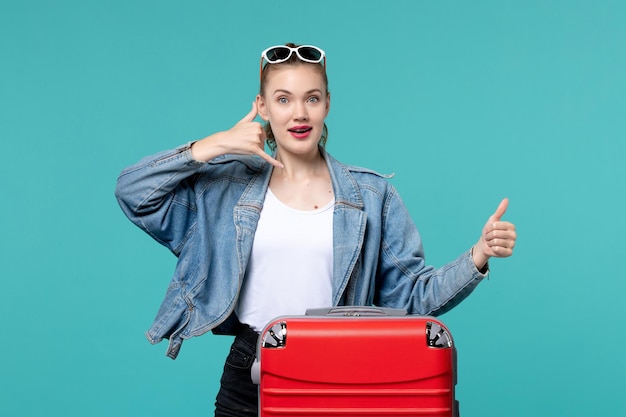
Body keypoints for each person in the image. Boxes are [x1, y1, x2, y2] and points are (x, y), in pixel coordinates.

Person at [115, 43, 517, 417]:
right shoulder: (224, 190)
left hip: (343, 371)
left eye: (312, 98)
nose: (299, 113)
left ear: (327, 104)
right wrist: (212, 145)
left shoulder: (373, 195)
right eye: (283, 99)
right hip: (249, 372)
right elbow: (134, 193)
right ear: (262, 107)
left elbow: (412, 301)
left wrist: (477, 255)